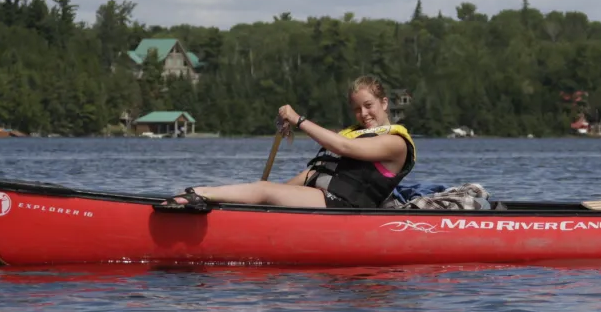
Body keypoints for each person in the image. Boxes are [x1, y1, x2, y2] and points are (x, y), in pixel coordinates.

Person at [157, 75, 416, 211]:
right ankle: (218, 202)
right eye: (357, 109)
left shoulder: (395, 143)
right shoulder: (356, 133)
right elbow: (315, 172)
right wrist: (264, 195)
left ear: (384, 103)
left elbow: (343, 147)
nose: (364, 114)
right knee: (265, 190)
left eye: (368, 105)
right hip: (327, 199)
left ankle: (198, 192)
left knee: (265, 192)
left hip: (346, 208)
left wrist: (298, 119)